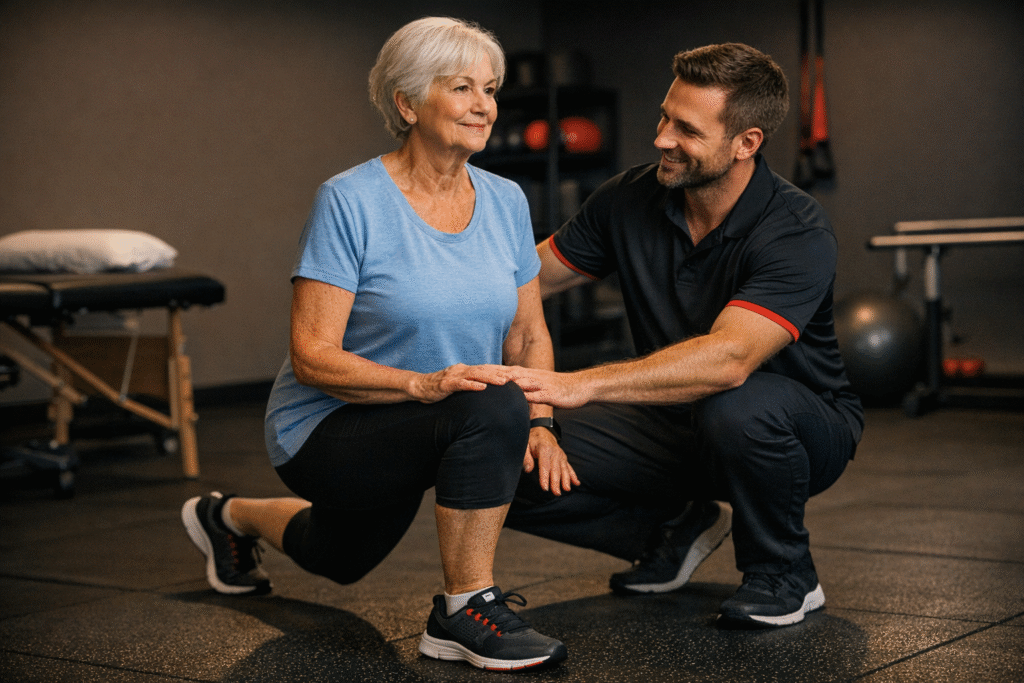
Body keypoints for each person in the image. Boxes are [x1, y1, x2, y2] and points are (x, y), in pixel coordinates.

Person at [181, 17, 575, 671]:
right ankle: (463, 610)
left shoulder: (506, 200)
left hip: (431, 417)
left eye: (491, 87)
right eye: (462, 87)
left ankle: (229, 518)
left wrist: (543, 419)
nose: (485, 104)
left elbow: (528, 332)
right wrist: (420, 385)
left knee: (339, 556)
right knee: (492, 403)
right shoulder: (351, 200)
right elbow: (311, 353)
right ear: (407, 102)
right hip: (328, 425)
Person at [505, 43, 864, 628]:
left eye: (687, 130)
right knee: (491, 444)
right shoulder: (628, 198)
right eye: (664, 117)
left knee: (739, 405)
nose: (662, 138)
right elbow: (525, 281)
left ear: (746, 142)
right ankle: (670, 531)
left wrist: (576, 384)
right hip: (669, 421)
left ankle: (785, 574)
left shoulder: (795, 229)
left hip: (794, 431)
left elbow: (729, 360)